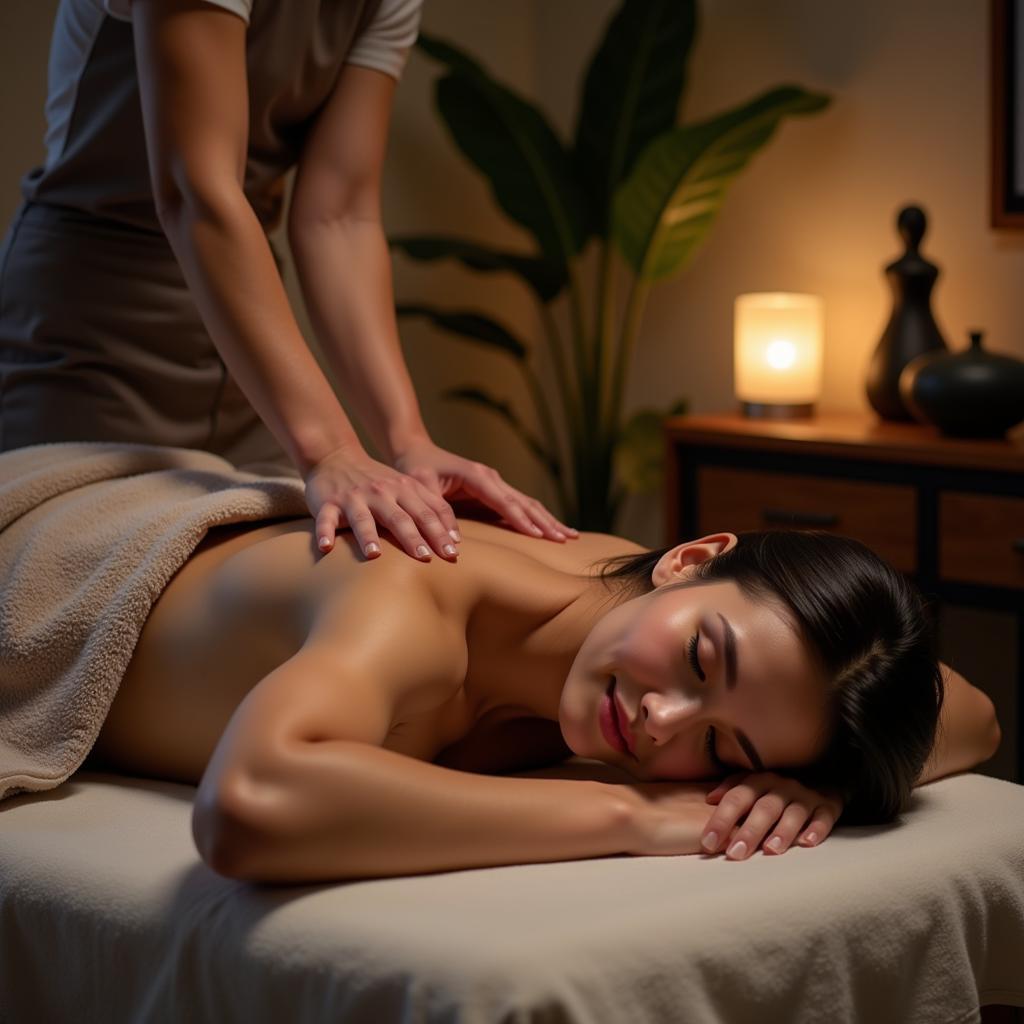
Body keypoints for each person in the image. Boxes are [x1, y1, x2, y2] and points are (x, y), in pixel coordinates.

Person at [83, 514, 1002, 883]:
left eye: (723, 751)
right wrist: (634, 816)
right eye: (698, 660)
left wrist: (832, 780)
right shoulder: (414, 601)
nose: (663, 723)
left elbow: (974, 715)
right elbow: (247, 809)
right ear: (687, 559)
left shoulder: (659, 608)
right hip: (72, 559)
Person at [0, 0, 576, 563]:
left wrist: (408, 443)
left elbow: (339, 216)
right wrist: (329, 449)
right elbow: (195, 190)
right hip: (87, 336)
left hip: (242, 360)